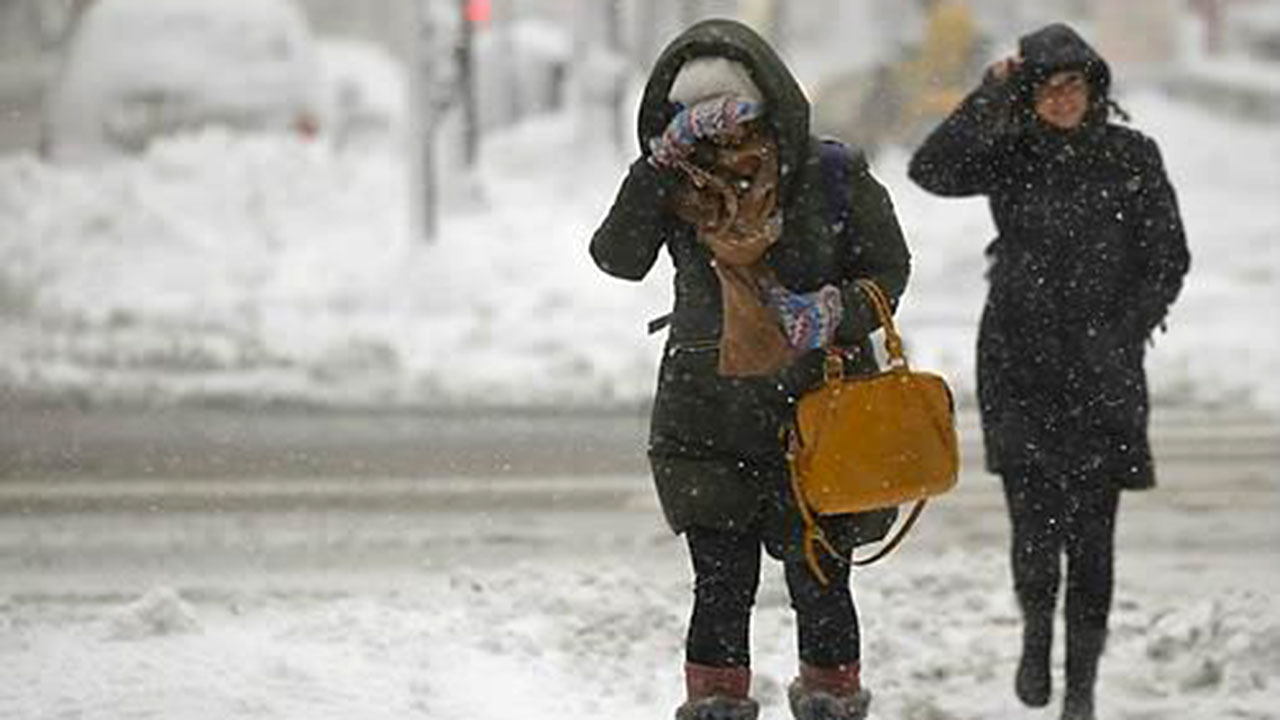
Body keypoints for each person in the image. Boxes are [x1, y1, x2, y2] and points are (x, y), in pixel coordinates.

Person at [590, 18, 911, 720]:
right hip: (706, 419)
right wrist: (654, 170)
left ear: (769, 106)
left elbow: (889, 271)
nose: (723, 140)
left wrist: (833, 311)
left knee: (822, 585)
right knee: (721, 589)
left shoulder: (829, 175)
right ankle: (715, 708)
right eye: (700, 123)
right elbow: (616, 257)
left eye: (737, 119)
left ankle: (832, 701)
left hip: (817, 417)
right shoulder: (674, 186)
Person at [908, 23, 1190, 720]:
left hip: (1103, 372)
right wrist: (989, 91)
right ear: (1029, 94)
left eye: (1075, 85)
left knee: (1093, 541)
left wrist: (1122, 335)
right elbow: (930, 169)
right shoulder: (1010, 155)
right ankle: (1036, 633)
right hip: (1018, 362)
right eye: (1048, 86)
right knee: (1033, 533)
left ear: (1094, 89)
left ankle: (1082, 689)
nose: (1063, 99)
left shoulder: (1132, 156)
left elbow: (1168, 257)